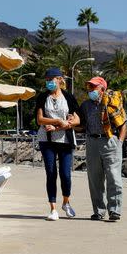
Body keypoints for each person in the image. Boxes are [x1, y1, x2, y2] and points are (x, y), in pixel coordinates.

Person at [78, 76, 127, 222]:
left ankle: (115, 210)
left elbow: (123, 125)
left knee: (114, 177)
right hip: (92, 141)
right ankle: (98, 211)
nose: (91, 90)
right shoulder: (85, 105)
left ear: (102, 89)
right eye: (89, 87)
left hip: (110, 142)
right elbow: (81, 124)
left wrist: (119, 142)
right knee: (94, 179)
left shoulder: (111, 104)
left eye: (94, 87)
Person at [35, 68, 80, 221]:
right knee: (51, 173)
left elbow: (76, 120)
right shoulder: (42, 97)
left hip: (65, 140)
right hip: (46, 140)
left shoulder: (68, 97)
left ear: (60, 80)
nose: (49, 82)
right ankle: (53, 208)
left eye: (52, 79)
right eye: (47, 79)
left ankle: (66, 202)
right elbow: (40, 120)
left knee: (66, 174)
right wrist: (56, 121)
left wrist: (60, 126)